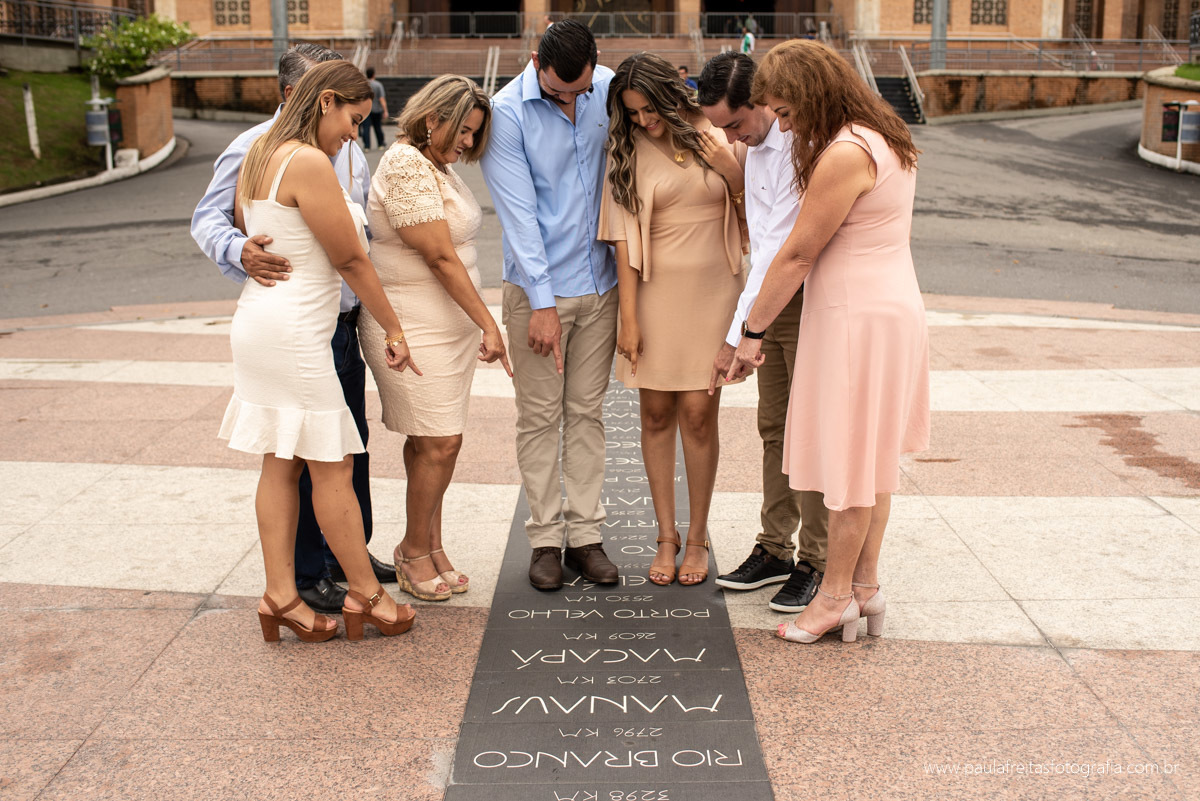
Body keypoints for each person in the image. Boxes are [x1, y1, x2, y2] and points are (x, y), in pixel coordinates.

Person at [725, 39, 930, 644]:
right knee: (872, 462)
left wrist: (750, 332)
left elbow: (798, 253)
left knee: (847, 463)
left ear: (812, 97)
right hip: (887, 305)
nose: (783, 124)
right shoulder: (884, 136)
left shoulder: (844, 152)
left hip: (854, 316)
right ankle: (865, 588)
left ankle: (834, 597)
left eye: (786, 112)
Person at [191, 43, 396, 617]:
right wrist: (240, 250)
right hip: (304, 324)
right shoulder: (273, 149)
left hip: (323, 320)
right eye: (351, 119)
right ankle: (337, 584)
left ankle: (318, 574)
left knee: (306, 454)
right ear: (307, 96)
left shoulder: (336, 149)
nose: (355, 132)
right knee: (325, 461)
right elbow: (211, 218)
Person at [480, 20, 620, 591]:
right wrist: (541, 304)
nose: (569, 100)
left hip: (602, 285)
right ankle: (544, 540)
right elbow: (519, 217)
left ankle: (586, 536)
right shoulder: (506, 113)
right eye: (557, 91)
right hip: (540, 293)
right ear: (535, 59)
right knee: (539, 418)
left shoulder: (606, 86)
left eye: (578, 91)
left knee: (587, 415)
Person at [359, 75, 511, 602]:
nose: (469, 143)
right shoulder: (404, 165)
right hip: (412, 321)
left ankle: (431, 543)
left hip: (446, 325)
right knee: (440, 440)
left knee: (432, 441)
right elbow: (439, 255)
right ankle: (410, 550)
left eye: (474, 133)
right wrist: (490, 322)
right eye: (464, 131)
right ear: (432, 120)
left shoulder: (434, 164)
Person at [599, 53, 747, 586]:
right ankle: (667, 534)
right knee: (656, 414)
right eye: (633, 112)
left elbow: (763, 221)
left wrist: (731, 173)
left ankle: (700, 535)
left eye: (649, 109)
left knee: (700, 415)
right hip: (654, 290)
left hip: (715, 291)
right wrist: (629, 320)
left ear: (670, 95)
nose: (643, 120)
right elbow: (621, 238)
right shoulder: (627, 148)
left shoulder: (718, 133)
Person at [698, 52, 830, 612]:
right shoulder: (750, 147)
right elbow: (758, 244)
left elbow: (779, 246)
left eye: (735, 123)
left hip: (801, 300)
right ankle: (774, 547)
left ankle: (816, 560)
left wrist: (737, 336)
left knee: (811, 430)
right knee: (774, 426)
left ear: (761, 103)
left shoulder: (799, 144)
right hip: (767, 300)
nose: (731, 137)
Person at [360, 66, 388, 150]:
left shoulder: (363, 85)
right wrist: (385, 110)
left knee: (366, 128)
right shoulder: (378, 85)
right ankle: (380, 144)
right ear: (374, 75)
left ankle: (367, 146)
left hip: (365, 110)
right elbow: (381, 99)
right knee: (378, 127)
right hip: (377, 110)